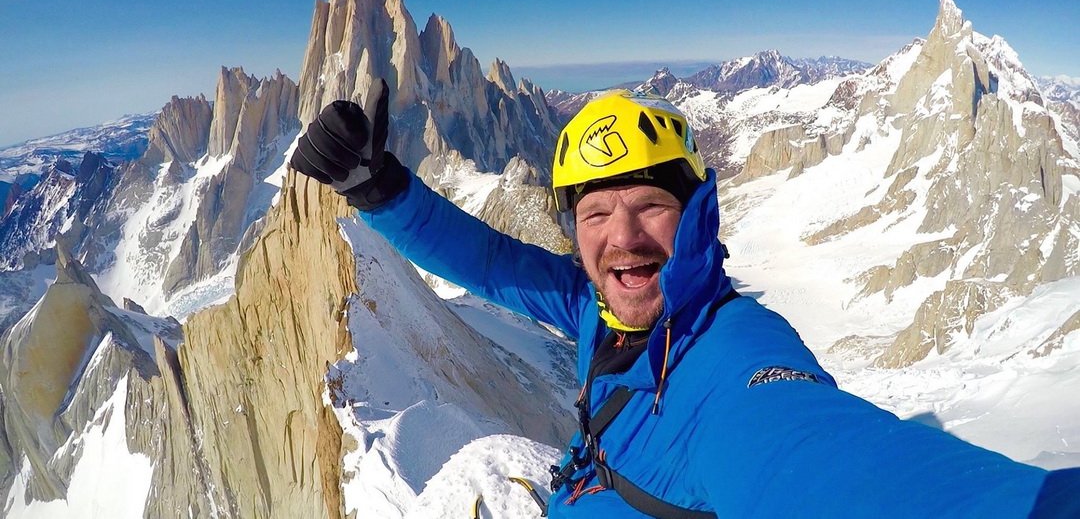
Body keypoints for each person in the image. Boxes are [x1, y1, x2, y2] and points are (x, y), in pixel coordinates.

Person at [291, 81, 1078, 518]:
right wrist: (380, 187)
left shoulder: (734, 361)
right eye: (596, 212)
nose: (623, 235)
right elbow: (492, 261)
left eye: (651, 205)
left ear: (695, 213)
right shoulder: (598, 310)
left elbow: (831, 465)